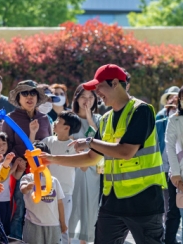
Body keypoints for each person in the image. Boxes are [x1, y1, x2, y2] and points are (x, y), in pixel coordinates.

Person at [40, 64, 168, 244]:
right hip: (112, 202)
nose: (96, 92)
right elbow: (91, 157)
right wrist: (52, 159)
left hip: (144, 201)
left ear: (115, 83)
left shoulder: (141, 110)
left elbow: (126, 152)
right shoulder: (106, 119)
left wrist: (90, 142)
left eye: (98, 87)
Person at [2, 80, 51, 239]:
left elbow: (48, 144)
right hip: (20, 170)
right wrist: (16, 161)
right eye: (25, 93)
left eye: (33, 93)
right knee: (19, 209)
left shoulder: (45, 118)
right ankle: (15, 239)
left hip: (42, 170)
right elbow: (6, 146)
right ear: (18, 97)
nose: (29, 97)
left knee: (41, 209)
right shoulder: (10, 118)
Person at [68, 83, 102, 244]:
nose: (87, 100)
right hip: (72, 167)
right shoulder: (69, 117)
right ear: (76, 98)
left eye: (91, 97)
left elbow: (100, 140)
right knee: (71, 204)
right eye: (83, 96)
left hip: (92, 168)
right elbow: (65, 140)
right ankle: (66, 238)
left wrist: (90, 119)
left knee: (91, 205)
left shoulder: (100, 119)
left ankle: (86, 240)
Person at [41, 111, 81, 244]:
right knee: (47, 223)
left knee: (63, 225)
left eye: (58, 121)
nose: (54, 123)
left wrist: (82, 153)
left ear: (66, 128)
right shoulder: (48, 141)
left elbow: (85, 166)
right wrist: (32, 132)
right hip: (47, 190)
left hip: (65, 193)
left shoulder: (74, 146)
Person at [20, 141, 66, 244]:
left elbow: (60, 204)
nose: (38, 161)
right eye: (35, 158)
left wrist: (62, 223)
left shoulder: (54, 180)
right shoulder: (27, 178)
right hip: (33, 223)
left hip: (53, 224)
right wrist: (28, 187)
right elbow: (23, 189)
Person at [0, 131, 26, 236]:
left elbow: (16, 177)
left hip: (6, 200)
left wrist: (21, 169)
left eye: (4, 143)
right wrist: (13, 168)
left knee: (4, 227)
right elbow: (0, 179)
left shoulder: (8, 160)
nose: (1, 146)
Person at [155, 86, 180, 244]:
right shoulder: (160, 119)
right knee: (161, 204)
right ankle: (161, 234)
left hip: (176, 168)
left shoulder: (182, 120)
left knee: (173, 205)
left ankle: (169, 235)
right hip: (161, 166)